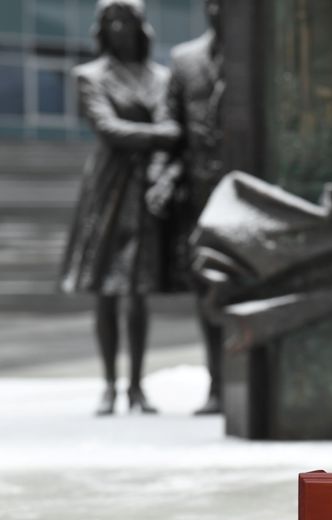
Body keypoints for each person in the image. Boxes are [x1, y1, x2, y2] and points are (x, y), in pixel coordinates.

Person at [59, 0, 179, 415]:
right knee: (106, 290)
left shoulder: (160, 77)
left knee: (138, 291)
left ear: (141, 26)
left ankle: (136, 386)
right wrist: (161, 136)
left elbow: (171, 122)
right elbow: (109, 128)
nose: (118, 27)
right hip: (107, 188)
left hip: (144, 188)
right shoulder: (89, 75)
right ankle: (110, 384)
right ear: (100, 28)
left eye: (125, 20)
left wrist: (160, 148)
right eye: (110, 20)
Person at [146, 0, 226, 415]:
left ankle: (240, 386)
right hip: (198, 197)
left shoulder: (257, 60)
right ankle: (217, 384)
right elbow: (169, 130)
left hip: (245, 192)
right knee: (206, 294)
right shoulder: (184, 59)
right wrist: (163, 175)